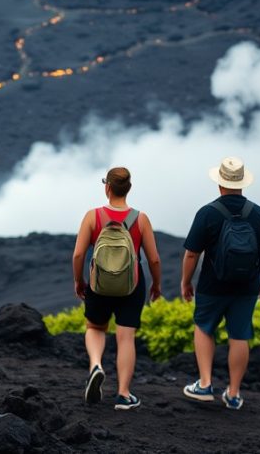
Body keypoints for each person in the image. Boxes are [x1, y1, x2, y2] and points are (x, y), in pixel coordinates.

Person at [181, 156, 260, 411]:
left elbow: (192, 254)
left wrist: (186, 282)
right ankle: (234, 394)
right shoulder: (258, 213)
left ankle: (205, 384)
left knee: (204, 327)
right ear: (242, 183)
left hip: (212, 285)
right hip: (246, 287)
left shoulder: (207, 213)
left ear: (220, 183)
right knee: (240, 335)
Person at [71, 166, 162, 410]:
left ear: (107, 188)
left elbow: (78, 254)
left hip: (99, 284)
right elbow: (154, 259)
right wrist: (156, 284)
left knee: (95, 327)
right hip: (132, 285)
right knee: (126, 337)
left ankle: (96, 365)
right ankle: (123, 394)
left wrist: (79, 281)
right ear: (128, 188)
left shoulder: (93, 216)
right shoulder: (140, 219)